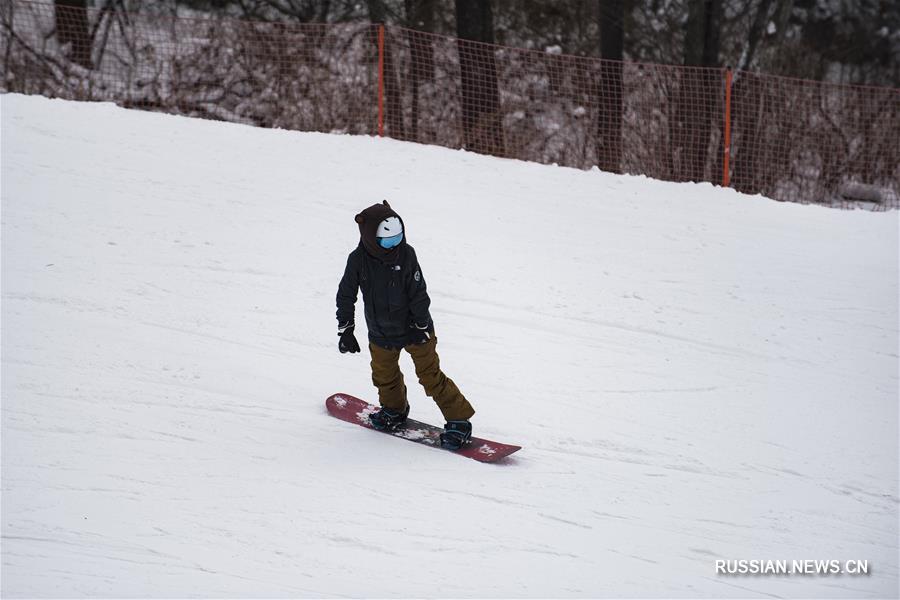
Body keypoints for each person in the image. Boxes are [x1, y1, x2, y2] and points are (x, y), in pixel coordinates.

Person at [336, 200, 475, 450]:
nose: (395, 244)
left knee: (430, 375)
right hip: (381, 331)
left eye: (398, 237)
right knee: (384, 376)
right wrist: (346, 328)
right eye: (388, 240)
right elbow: (346, 294)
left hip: (415, 329)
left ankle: (459, 421)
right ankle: (394, 410)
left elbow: (418, 291)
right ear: (370, 237)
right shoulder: (357, 260)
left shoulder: (407, 254)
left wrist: (421, 324)